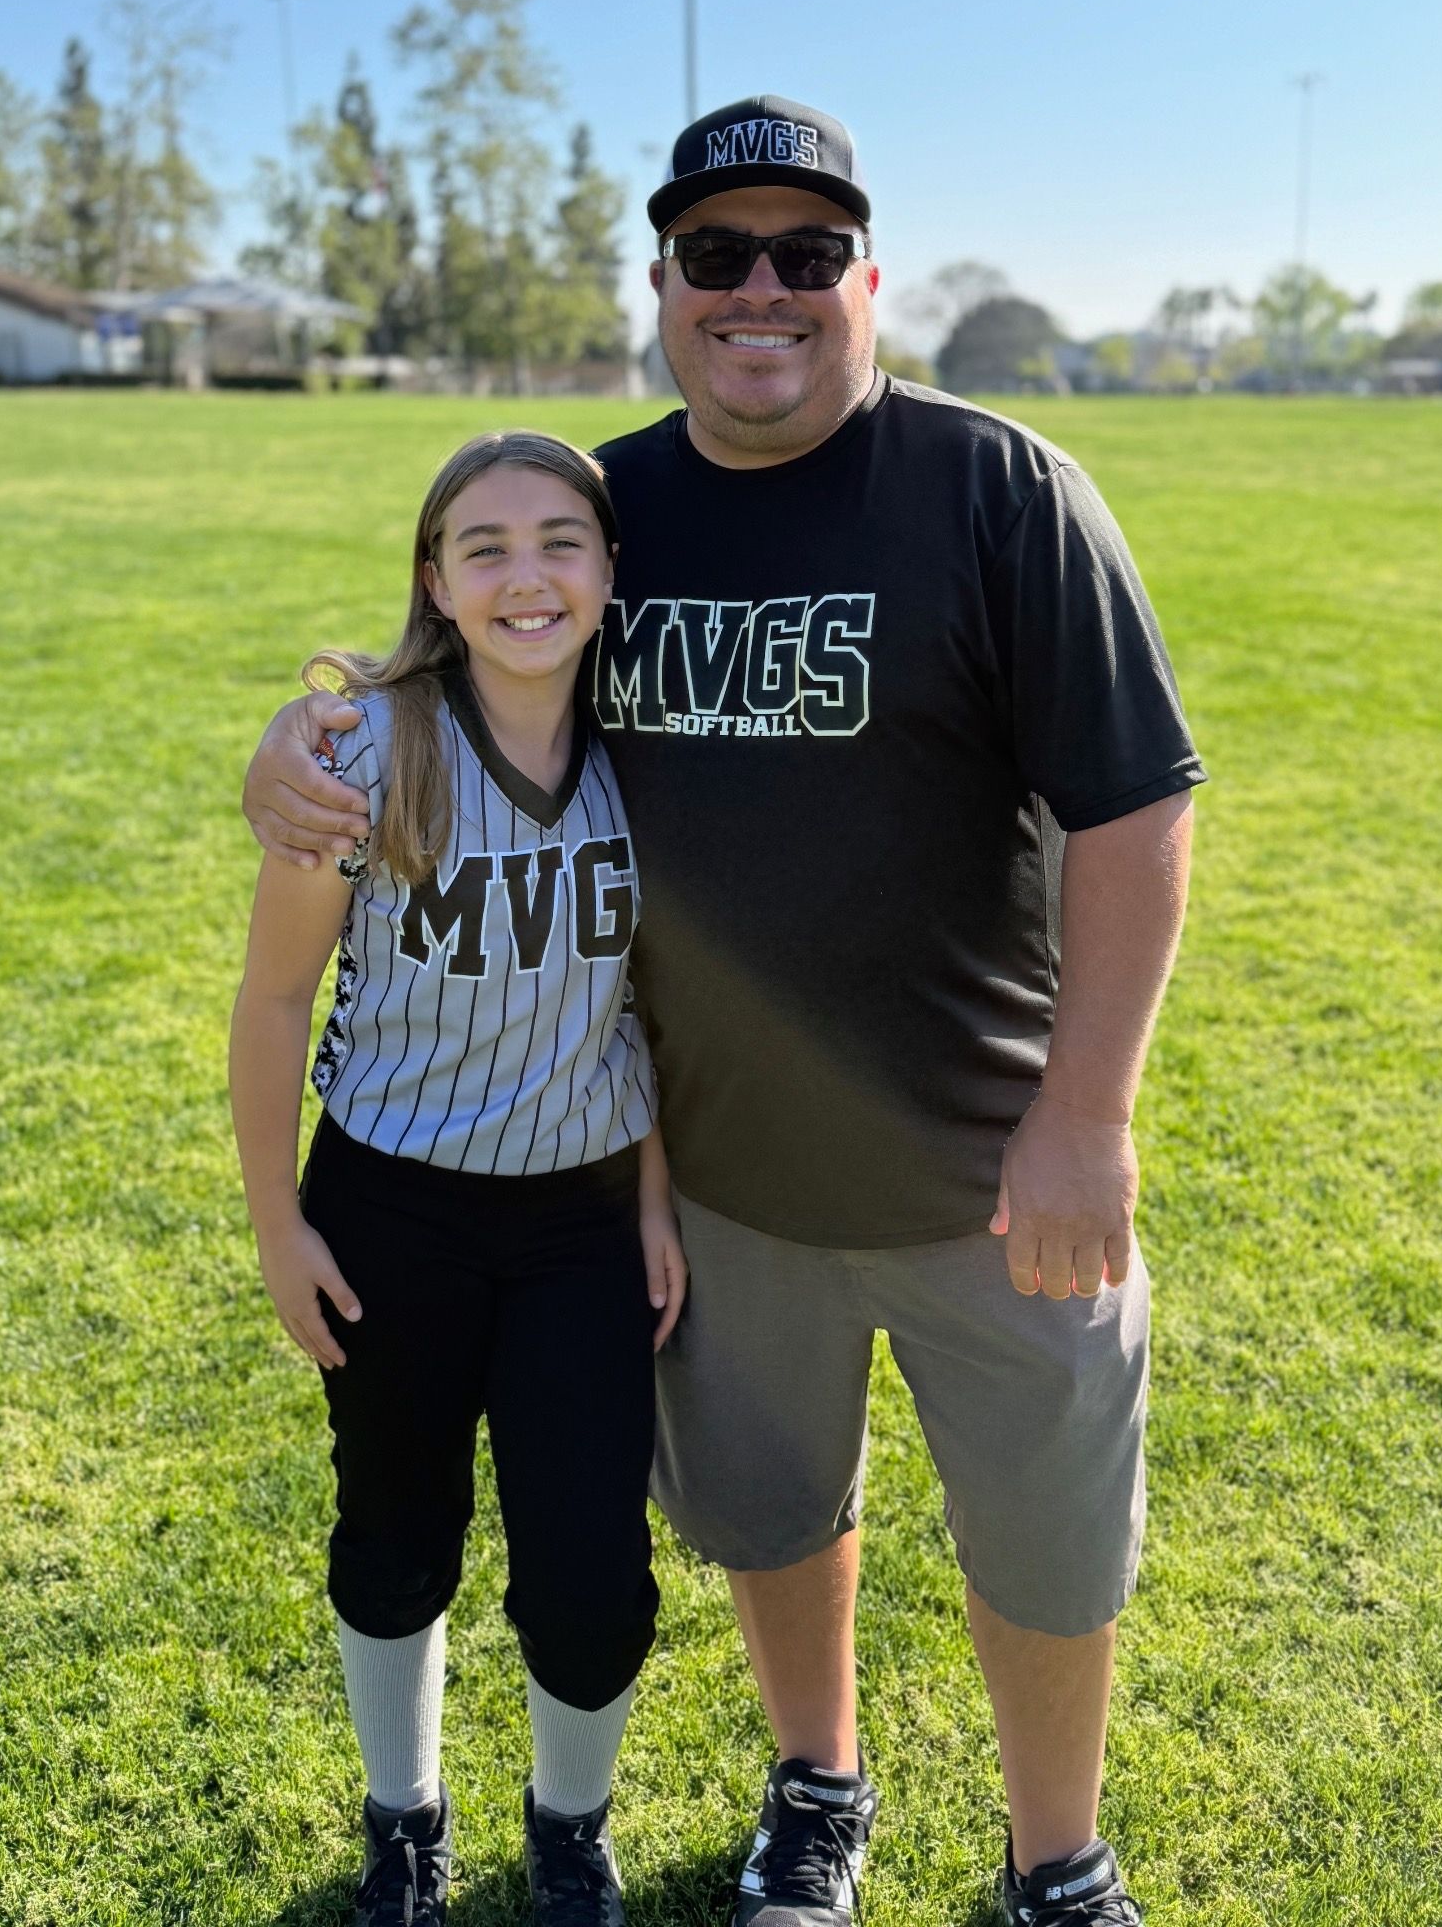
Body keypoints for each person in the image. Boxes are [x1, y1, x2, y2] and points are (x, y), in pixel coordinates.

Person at [245, 96, 1205, 1927]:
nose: (759, 291)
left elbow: (1137, 805)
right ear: (666, 284)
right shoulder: (612, 510)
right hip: (725, 1183)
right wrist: (290, 748)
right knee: (774, 1513)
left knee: (1047, 1550)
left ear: (869, 278)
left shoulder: (997, 489)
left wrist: (1088, 1112)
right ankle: (815, 1791)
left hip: (991, 1170)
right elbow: (440, 664)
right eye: (715, 255)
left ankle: (1056, 1860)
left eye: (804, 253)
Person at [229, 428, 686, 1927]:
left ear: (613, 568)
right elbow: (276, 1002)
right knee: (394, 1528)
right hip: (394, 1205)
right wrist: (278, 1221)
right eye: (482, 547)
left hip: (580, 1221)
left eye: (561, 539)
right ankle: (403, 1822)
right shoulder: (366, 748)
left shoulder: (654, 748)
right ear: (434, 578)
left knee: (588, 1568)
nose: (527, 575)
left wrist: (654, 1195)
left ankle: (570, 1830)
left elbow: (648, 1006)